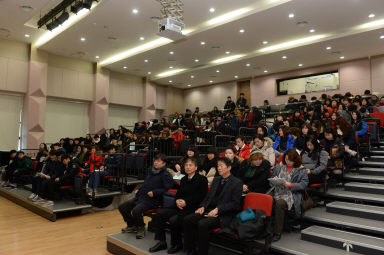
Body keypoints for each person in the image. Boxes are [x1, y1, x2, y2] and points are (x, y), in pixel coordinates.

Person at [183, 157, 243, 255]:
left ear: (229, 168)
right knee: (188, 219)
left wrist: (218, 209)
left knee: (202, 224)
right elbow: (208, 197)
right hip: (208, 210)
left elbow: (235, 203)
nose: (219, 168)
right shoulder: (216, 179)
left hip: (223, 214)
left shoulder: (237, 182)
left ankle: (202, 252)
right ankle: (191, 249)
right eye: (218, 166)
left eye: (221, 166)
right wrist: (202, 206)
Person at [149, 158, 208, 253]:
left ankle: (177, 244)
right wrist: (177, 201)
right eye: (186, 165)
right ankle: (162, 242)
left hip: (192, 207)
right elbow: (178, 194)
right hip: (179, 205)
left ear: (196, 167)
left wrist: (186, 202)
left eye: (190, 165)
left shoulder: (202, 179)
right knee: (160, 214)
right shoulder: (184, 179)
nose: (188, 167)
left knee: (174, 220)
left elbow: (201, 196)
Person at [119, 154, 173, 239]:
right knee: (122, 207)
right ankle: (132, 226)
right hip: (141, 197)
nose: (155, 162)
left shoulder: (166, 175)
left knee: (136, 210)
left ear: (164, 163)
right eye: (155, 160)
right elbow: (146, 184)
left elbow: (167, 189)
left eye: (158, 161)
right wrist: (139, 190)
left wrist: (155, 192)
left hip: (153, 200)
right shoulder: (151, 171)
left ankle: (141, 228)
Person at [271, 149, 308, 242]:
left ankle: (277, 232)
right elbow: (271, 181)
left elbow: (304, 184)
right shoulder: (279, 167)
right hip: (277, 190)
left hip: (291, 193)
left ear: (296, 160)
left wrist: (291, 185)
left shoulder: (301, 169)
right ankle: (264, 228)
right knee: (265, 199)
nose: (288, 162)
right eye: (286, 159)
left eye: (290, 160)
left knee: (279, 204)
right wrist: (274, 180)